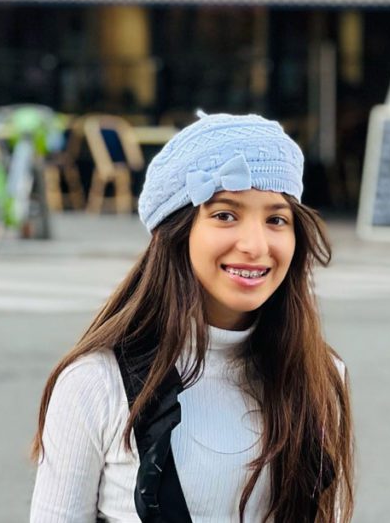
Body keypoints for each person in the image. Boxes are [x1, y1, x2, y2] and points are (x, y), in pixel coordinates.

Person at [30, 112, 354, 523]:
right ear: (177, 231)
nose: (255, 246)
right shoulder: (96, 381)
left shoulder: (322, 374)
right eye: (225, 215)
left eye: (276, 219)